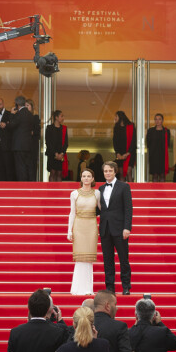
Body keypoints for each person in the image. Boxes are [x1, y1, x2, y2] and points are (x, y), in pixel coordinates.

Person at [98, 161, 132, 295]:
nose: (107, 173)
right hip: (105, 229)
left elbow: (128, 208)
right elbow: (99, 209)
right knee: (108, 260)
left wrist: (127, 227)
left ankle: (126, 286)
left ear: (115, 171)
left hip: (119, 228)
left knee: (124, 258)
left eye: (110, 171)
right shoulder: (100, 189)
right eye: (105, 171)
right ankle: (110, 287)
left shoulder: (124, 187)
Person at [67, 169, 100, 295]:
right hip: (79, 226)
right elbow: (72, 213)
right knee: (80, 257)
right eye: (84, 176)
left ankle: (88, 289)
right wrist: (69, 230)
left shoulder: (97, 194)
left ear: (92, 179)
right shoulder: (74, 194)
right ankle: (77, 288)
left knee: (89, 258)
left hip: (91, 226)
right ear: (81, 178)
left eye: (89, 176)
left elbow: (102, 211)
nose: (86, 178)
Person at [2, 95, 35, 182]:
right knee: (28, 166)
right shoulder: (30, 114)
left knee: (20, 167)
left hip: (19, 145)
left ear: (17, 104)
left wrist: (11, 115)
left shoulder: (19, 114)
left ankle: (23, 185)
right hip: (28, 144)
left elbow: (12, 125)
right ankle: (30, 184)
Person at [112, 111, 136, 182]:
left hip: (130, 153)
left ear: (120, 117)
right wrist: (117, 153)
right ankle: (122, 192)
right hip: (120, 154)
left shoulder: (131, 126)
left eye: (116, 116)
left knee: (128, 172)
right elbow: (115, 142)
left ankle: (131, 191)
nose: (115, 118)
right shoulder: (116, 128)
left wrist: (128, 153)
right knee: (121, 173)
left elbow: (133, 141)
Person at [146, 113, 170, 182]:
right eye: (156, 119)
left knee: (162, 175)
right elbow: (148, 143)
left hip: (163, 156)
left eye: (159, 119)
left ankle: (162, 192)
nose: (157, 121)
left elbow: (167, 144)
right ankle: (154, 192)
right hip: (153, 156)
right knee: (154, 175)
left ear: (162, 120)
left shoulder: (166, 131)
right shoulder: (150, 131)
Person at [45, 110, 68, 182]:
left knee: (59, 173)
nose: (63, 118)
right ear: (56, 117)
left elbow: (66, 143)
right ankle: (50, 191)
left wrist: (61, 154)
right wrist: (55, 154)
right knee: (52, 173)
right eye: (61, 116)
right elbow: (48, 142)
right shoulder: (49, 128)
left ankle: (59, 191)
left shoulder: (64, 128)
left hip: (61, 154)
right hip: (52, 154)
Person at [26, 99, 41, 180]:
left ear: (32, 107)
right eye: (25, 106)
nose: (26, 107)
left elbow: (36, 132)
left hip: (32, 147)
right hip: (24, 147)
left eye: (27, 105)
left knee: (32, 167)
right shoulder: (21, 117)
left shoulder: (35, 117)